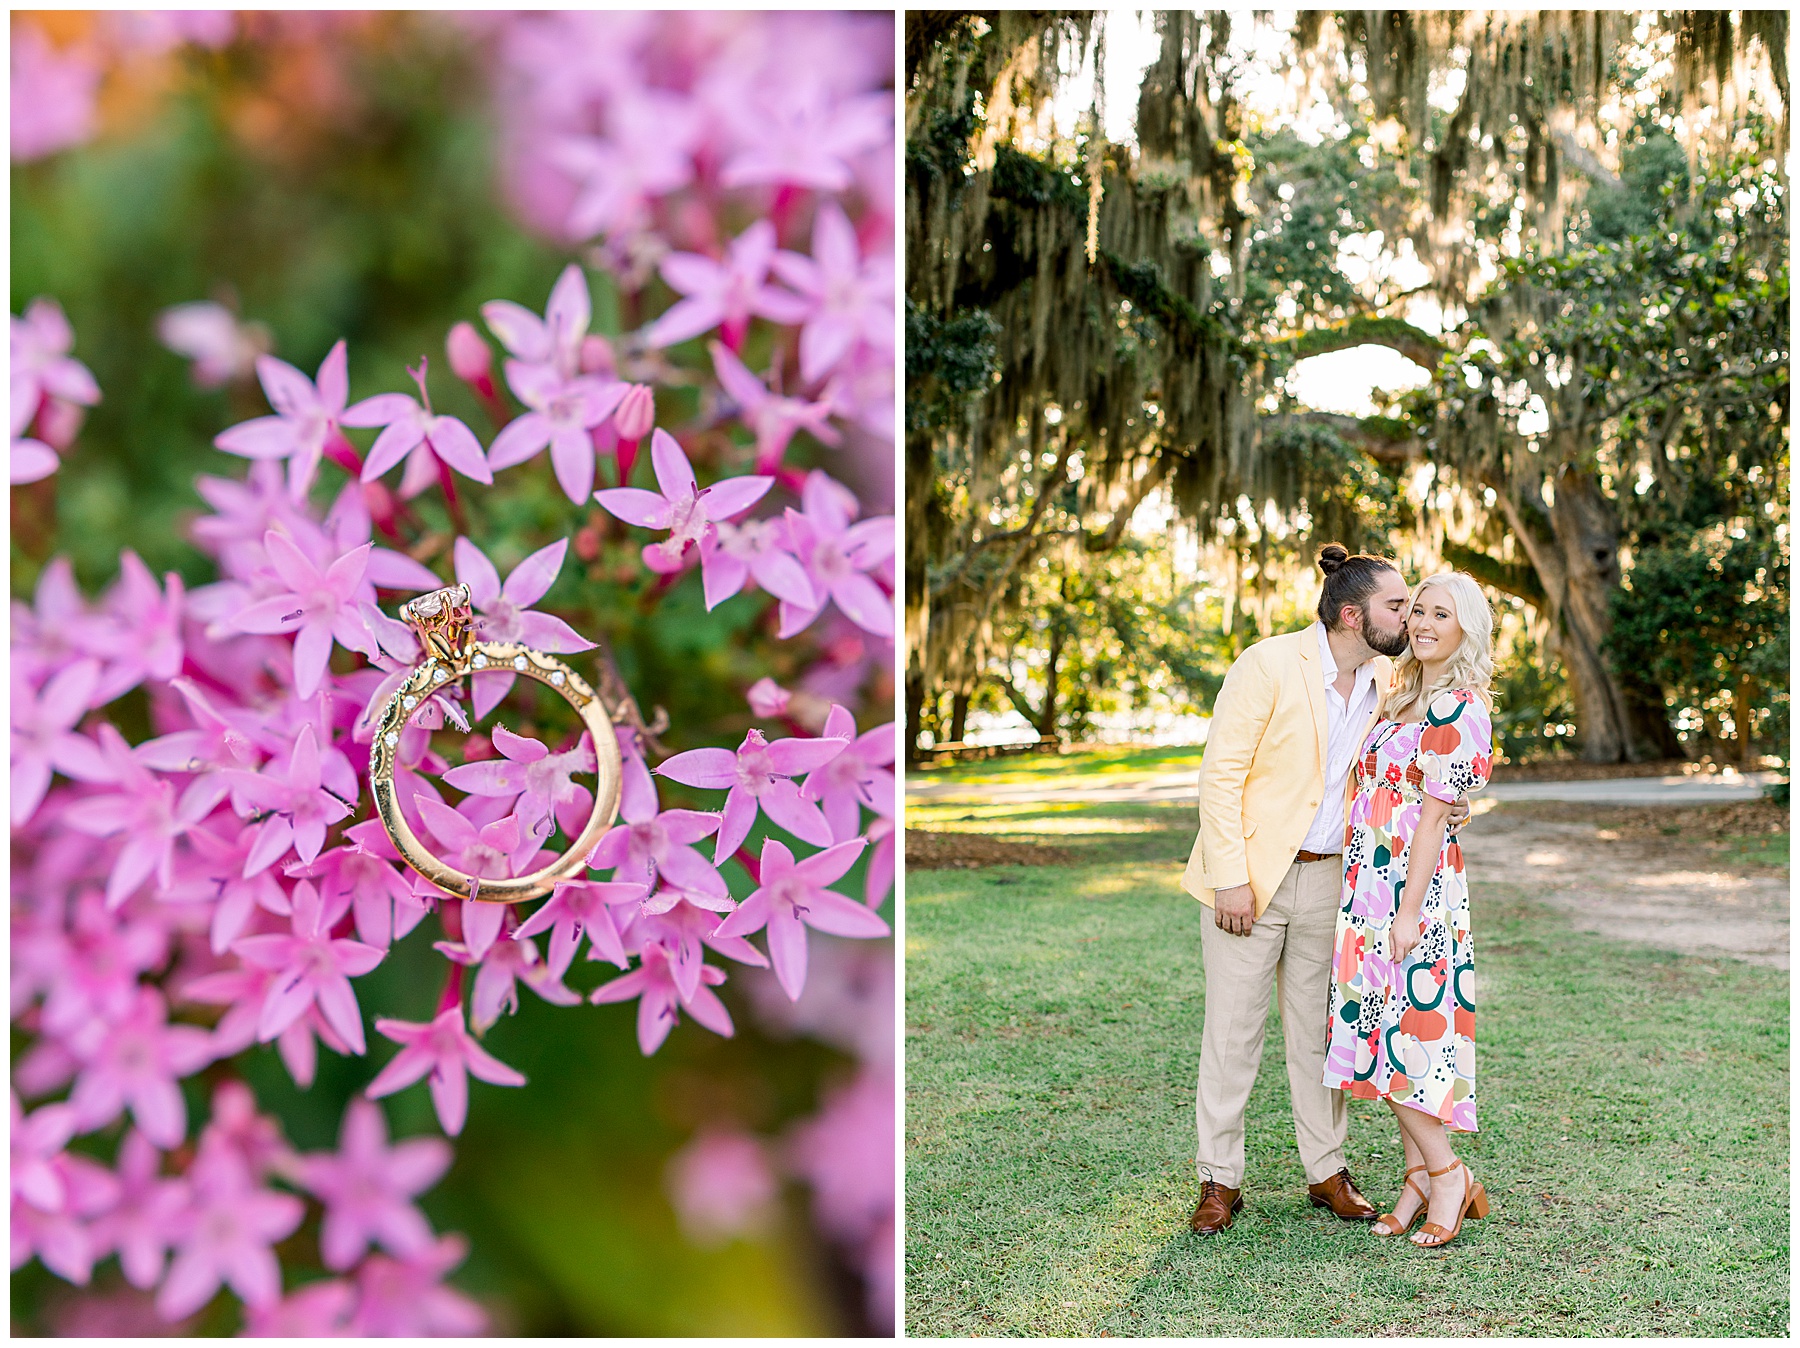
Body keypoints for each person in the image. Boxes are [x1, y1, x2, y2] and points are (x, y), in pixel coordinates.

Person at [1178, 544, 1468, 1235]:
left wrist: (1456, 802)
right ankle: (1220, 1180)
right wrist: (1230, 879)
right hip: (1250, 884)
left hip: (1337, 883)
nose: (1409, 617)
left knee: (1320, 1038)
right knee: (1232, 1035)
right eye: (1397, 605)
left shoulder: (1387, 684)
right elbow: (1220, 776)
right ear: (1350, 614)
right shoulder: (1268, 663)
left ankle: (1327, 1172)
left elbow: (1427, 762)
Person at [1322, 571, 1495, 1248]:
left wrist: (1407, 912)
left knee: (1405, 1042)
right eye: (1417, 610)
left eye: (1440, 614)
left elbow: (1430, 820)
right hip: (1367, 889)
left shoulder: (1458, 706)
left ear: (1465, 630)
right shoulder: (1401, 699)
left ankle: (1448, 1173)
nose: (1422, 623)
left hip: (1412, 896)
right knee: (1380, 1040)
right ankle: (1417, 1176)